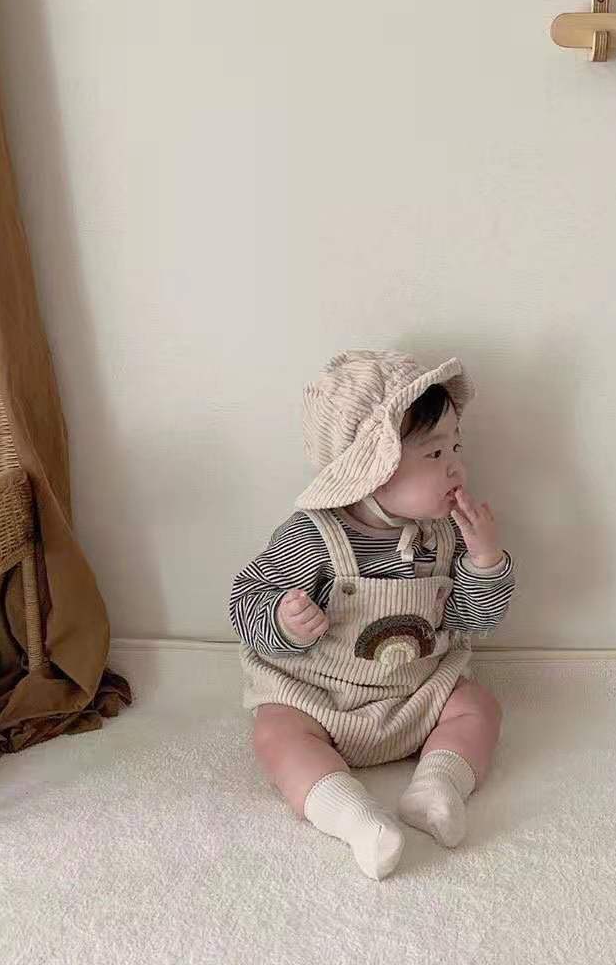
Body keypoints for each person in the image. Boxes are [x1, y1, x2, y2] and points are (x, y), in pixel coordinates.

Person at [229, 350, 516, 879]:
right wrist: (284, 621)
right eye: (434, 453)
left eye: (456, 446)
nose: (456, 466)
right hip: (319, 698)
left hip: (417, 692)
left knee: (478, 706)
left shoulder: (444, 534)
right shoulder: (313, 535)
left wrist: (485, 561)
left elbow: (471, 620)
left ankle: (438, 786)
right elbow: (244, 600)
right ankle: (353, 817)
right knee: (275, 733)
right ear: (372, 467)